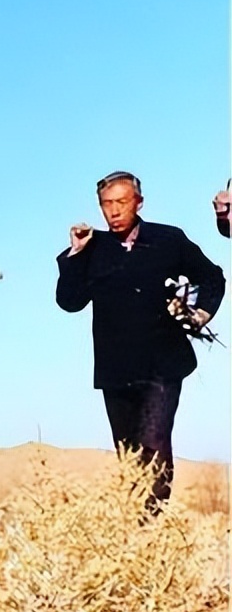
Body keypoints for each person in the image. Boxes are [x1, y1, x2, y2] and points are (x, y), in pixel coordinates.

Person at [56, 170, 225, 511]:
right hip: (115, 371)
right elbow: (69, 302)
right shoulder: (92, 248)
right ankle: (135, 523)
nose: (114, 210)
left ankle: (152, 523)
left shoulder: (168, 239)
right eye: (107, 204)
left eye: (122, 202)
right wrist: (75, 254)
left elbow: (212, 277)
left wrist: (200, 315)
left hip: (163, 366)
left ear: (139, 203)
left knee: (154, 442)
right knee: (129, 455)